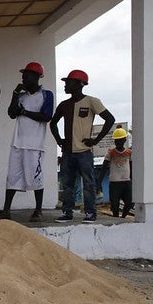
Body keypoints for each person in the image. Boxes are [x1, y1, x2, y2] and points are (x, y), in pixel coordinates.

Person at [49, 70, 115, 223]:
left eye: (69, 82)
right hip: (67, 153)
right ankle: (67, 213)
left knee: (88, 184)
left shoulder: (92, 101)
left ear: (80, 84)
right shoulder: (64, 105)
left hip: (84, 152)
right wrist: (59, 140)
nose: (65, 85)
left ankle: (90, 213)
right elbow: (53, 123)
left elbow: (110, 119)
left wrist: (95, 140)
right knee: (67, 184)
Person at [0, 62, 54, 222]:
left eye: (26, 76)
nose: (23, 79)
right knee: (12, 177)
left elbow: (46, 116)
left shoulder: (46, 95)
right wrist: (15, 94)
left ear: (36, 77)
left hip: (35, 145)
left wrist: (25, 112)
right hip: (17, 143)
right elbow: (11, 114)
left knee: (35, 177)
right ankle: (6, 210)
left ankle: (38, 210)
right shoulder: (21, 96)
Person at [97, 125, 133, 217]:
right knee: (115, 205)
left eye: (120, 140)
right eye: (117, 140)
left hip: (126, 182)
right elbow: (104, 168)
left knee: (129, 203)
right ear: (114, 141)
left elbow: (132, 167)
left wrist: (132, 181)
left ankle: (123, 217)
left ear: (124, 140)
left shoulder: (129, 153)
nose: (119, 142)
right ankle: (116, 219)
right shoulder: (110, 153)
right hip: (115, 183)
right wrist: (99, 182)